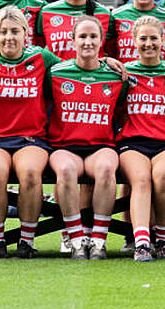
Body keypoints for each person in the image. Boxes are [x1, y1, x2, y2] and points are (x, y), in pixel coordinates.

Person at [0, 7, 61, 258]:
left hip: (31, 138)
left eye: (15, 31)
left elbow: (77, 71)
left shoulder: (43, 58)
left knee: (30, 173)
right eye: (3, 32)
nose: (9, 37)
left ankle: (26, 240)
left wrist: (106, 61)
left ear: (26, 34)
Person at [48, 16, 126, 260]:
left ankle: (99, 240)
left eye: (93, 36)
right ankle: (76, 239)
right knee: (67, 171)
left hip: (101, 145)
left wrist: (106, 61)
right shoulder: (55, 73)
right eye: (82, 36)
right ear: (72, 40)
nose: (88, 41)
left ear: (102, 41)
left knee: (105, 169)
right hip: (64, 145)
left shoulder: (116, 75)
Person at [117, 16, 165, 262]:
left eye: (153, 38)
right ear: (134, 41)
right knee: (142, 179)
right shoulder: (123, 72)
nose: (148, 43)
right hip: (133, 141)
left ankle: (164, 237)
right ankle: (142, 242)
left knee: (163, 176)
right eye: (143, 38)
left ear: (163, 41)